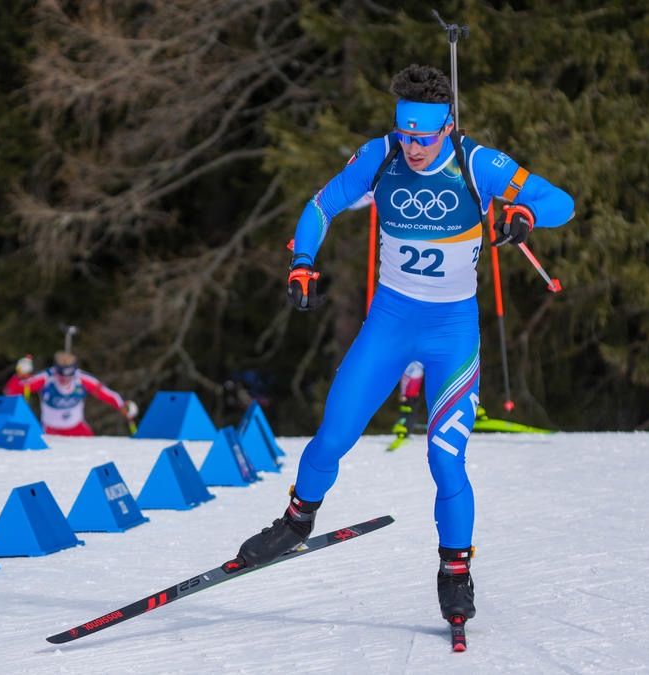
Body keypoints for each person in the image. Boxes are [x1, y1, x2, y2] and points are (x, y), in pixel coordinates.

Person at [237, 64, 574, 630]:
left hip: (452, 334)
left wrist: (525, 212)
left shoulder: (478, 163)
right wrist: (302, 263)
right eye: (406, 134)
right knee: (333, 436)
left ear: (447, 128)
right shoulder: (381, 156)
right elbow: (320, 206)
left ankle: (455, 571)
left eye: (425, 138)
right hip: (389, 325)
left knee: (445, 459)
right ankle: (296, 521)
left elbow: (560, 200)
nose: (414, 148)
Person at [4, 351, 138, 436]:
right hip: (50, 431)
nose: (65, 380)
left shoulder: (82, 379)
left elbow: (106, 394)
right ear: (56, 370)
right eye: (62, 376)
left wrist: (122, 406)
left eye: (69, 376)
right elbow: (11, 391)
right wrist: (20, 374)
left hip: (77, 428)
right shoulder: (46, 378)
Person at [387, 361, 425, 451]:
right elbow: (405, 380)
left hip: (414, 396)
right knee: (406, 414)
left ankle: (406, 433)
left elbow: (418, 381)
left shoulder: (420, 365)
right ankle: (401, 432)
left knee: (412, 415)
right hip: (407, 396)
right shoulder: (412, 365)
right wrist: (403, 394)